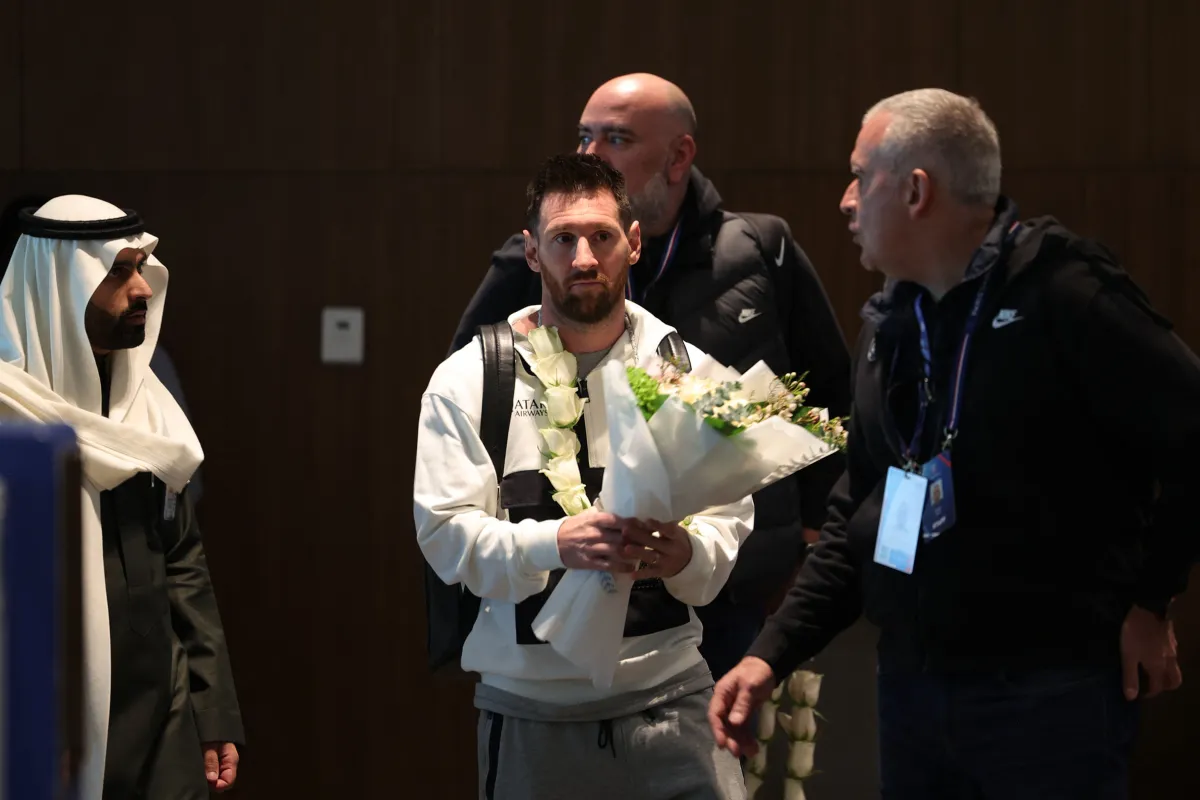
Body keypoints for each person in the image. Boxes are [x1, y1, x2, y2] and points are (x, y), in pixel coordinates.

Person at [709, 88, 1200, 798]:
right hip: (913, 689)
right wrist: (770, 655)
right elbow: (860, 514)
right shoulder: (889, 324)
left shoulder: (1065, 294)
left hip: (1048, 691)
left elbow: (1192, 438)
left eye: (859, 176)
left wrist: (1152, 601)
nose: (845, 202)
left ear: (915, 191)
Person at [448, 73, 852, 679]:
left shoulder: (759, 251)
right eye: (584, 136)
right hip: (567, 576)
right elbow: (474, 385)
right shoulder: (533, 258)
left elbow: (822, 398)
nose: (589, 155)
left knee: (717, 758)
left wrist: (809, 549)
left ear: (678, 155)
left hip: (731, 576)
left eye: (615, 138)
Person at [415, 153, 752, 799]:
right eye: (562, 239)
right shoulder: (468, 379)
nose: (584, 257)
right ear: (531, 252)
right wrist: (556, 544)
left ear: (633, 241)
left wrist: (688, 552)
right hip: (529, 715)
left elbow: (729, 518)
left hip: (673, 703)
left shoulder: (689, 371)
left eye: (601, 236)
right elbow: (444, 535)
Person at [0, 195, 244, 798]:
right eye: (118, 271)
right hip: (43, 718)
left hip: (163, 708)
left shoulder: (149, 411)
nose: (141, 289)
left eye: (142, 269)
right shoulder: (10, 417)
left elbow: (183, 561)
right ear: (60, 288)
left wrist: (213, 712)